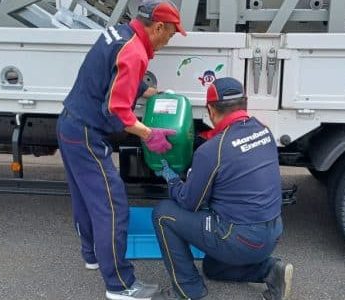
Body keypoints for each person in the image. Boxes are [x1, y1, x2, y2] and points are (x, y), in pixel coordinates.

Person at [56, 1, 186, 299]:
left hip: (69, 125)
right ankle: (121, 286)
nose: (170, 40)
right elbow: (117, 110)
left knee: (85, 199)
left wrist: (148, 91)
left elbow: (110, 75)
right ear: (158, 27)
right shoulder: (136, 51)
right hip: (88, 133)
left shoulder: (119, 33)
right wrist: (149, 133)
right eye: (171, 33)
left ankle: (91, 255)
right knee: (113, 207)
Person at [151, 77, 293, 300]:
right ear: (244, 103)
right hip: (272, 234)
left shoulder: (212, 150)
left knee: (163, 214)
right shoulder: (264, 132)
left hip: (240, 238)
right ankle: (270, 269)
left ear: (210, 109)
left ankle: (187, 289)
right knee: (212, 267)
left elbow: (190, 202)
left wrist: (170, 177)